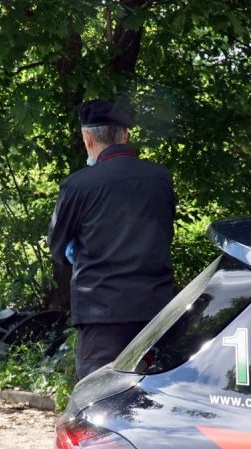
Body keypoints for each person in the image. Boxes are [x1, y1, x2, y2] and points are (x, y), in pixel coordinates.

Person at [47, 99, 176, 379]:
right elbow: (166, 232)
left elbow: (57, 246)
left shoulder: (78, 185)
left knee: (100, 397)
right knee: (152, 391)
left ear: (87, 139)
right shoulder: (161, 178)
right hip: (156, 310)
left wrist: (75, 250)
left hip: (100, 312)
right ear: (125, 135)